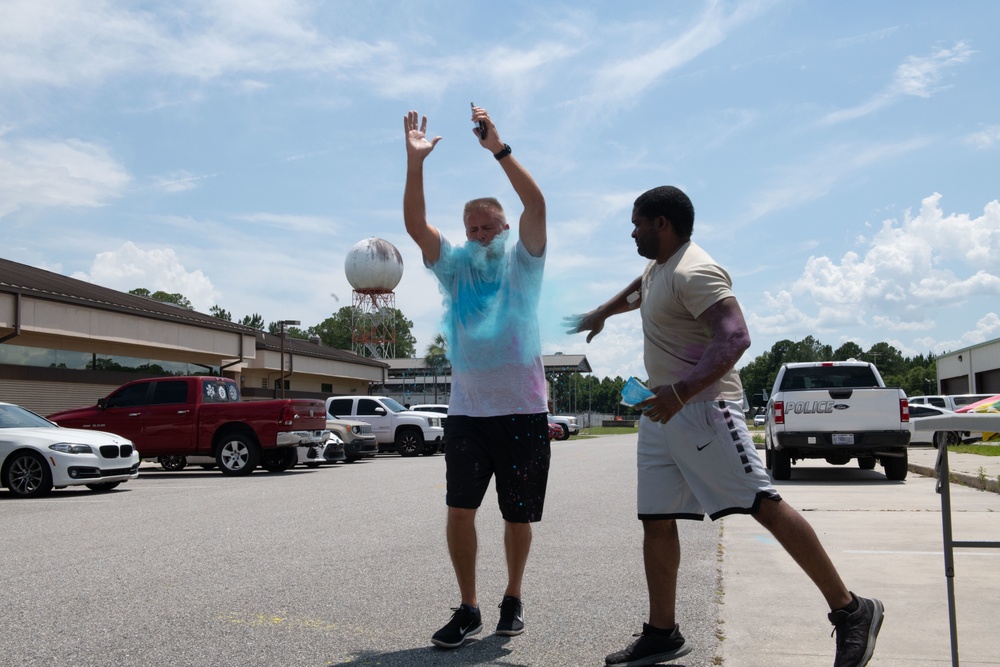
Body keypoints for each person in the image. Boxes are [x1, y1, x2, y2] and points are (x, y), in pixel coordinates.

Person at [567, 185, 883, 667]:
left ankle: (851, 610)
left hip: (705, 410)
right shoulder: (660, 267)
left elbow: (736, 335)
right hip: (662, 413)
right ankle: (662, 632)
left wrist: (681, 392)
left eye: (636, 223)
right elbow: (640, 287)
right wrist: (602, 313)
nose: (631, 231)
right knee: (655, 518)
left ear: (662, 224)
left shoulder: (696, 270)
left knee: (763, 503)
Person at [402, 106, 551, 649]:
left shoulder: (523, 265)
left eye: (489, 226)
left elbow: (536, 203)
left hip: (524, 411)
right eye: (472, 229)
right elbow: (416, 227)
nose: (481, 234)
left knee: (518, 517)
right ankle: (468, 608)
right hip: (467, 414)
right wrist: (415, 164)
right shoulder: (455, 267)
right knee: (459, 513)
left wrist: (499, 149)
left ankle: (512, 597)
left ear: (504, 229)